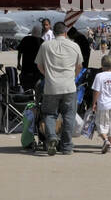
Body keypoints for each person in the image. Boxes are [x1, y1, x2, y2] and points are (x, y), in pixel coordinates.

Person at [36, 21, 83, 155]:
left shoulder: (45, 46)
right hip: (69, 87)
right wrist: (73, 76)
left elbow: (39, 65)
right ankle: (67, 146)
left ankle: (51, 137)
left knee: (50, 114)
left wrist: (48, 75)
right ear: (65, 32)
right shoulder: (74, 46)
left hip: (51, 87)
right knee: (69, 115)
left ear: (53, 31)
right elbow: (79, 66)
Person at [91, 54, 111, 154]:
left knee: (101, 124)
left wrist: (93, 103)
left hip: (103, 104)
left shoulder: (99, 76)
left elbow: (96, 91)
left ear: (102, 65)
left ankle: (105, 141)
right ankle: (109, 143)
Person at [17, 26, 44, 93]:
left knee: (26, 89)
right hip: (37, 70)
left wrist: (18, 63)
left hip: (26, 69)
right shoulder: (42, 42)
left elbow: (20, 52)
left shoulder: (25, 39)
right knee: (37, 90)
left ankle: (27, 101)